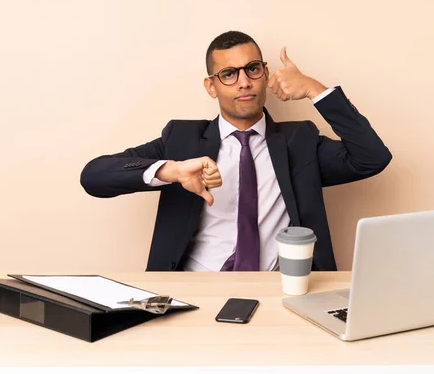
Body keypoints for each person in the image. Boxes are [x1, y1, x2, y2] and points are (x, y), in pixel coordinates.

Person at [80, 30, 392, 272]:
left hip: (279, 290)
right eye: (229, 74)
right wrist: (171, 171)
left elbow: (371, 157)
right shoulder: (182, 138)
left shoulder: (300, 141)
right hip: (197, 288)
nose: (244, 82)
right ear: (211, 86)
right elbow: (93, 176)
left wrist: (315, 89)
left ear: (265, 76)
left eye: (253, 69)